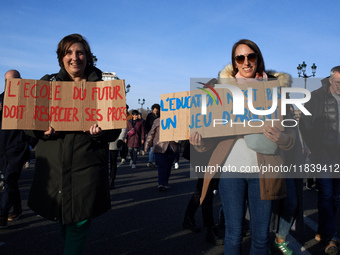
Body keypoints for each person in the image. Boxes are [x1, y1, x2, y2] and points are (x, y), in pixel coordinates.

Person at [191, 39, 296, 255]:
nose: (246, 62)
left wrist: (283, 138)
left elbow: (292, 133)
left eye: (251, 56)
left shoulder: (275, 89)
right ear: (235, 63)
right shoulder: (221, 91)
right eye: (240, 58)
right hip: (231, 171)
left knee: (260, 237)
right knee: (233, 233)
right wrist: (200, 143)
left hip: (264, 170)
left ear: (258, 59)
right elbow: (210, 134)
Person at [25, 34, 120, 254]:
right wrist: (41, 129)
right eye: (68, 52)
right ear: (61, 57)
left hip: (86, 169)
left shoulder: (104, 87)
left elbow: (114, 130)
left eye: (80, 52)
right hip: (55, 167)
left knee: (78, 224)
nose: (74, 57)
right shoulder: (47, 84)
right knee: (65, 221)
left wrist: (99, 133)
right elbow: (26, 123)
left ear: (88, 57)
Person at [300, 66, 340, 255]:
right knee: (326, 193)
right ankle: (331, 237)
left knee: (335, 196)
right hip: (323, 153)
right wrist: (312, 148)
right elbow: (305, 124)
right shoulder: (316, 97)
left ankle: (323, 229)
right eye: (338, 83)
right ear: (331, 80)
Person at [0, 70, 37, 229]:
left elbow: (37, 124)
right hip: (3, 149)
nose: (10, 84)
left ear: (20, 81)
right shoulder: (0, 99)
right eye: (7, 81)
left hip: (18, 149)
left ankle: (1, 214)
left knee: (9, 179)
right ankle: (18, 209)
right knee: (10, 182)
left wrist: (29, 145)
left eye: (13, 80)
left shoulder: (29, 100)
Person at [145, 118, 179, 191]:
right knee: (162, 165)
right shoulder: (157, 121)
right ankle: (162, 183)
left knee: (169, 165)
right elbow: (151, 134)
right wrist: (147, 145)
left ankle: (165, 181)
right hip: (160, 146)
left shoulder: (177, 120)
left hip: (172, 146)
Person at [145, 103, 160, 168]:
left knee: (158, 148)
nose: (155, 112)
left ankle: (157, 161)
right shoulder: (149, 115)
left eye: (157, 111)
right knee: (151, 148)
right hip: (150, 133)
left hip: (158, 134)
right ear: (152, 110)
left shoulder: (161, 116)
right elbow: (146, 124)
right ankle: (150, 161)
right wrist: (146, 133)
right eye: (154, 111)